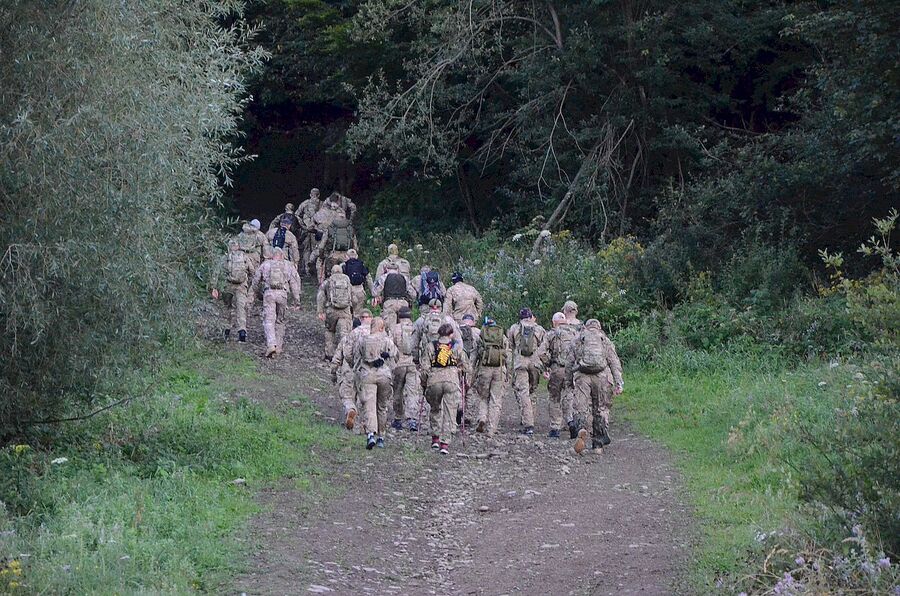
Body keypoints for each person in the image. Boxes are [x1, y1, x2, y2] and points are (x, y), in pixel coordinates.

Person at [566, 319, 624, 453]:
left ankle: (581, 428)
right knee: (601, 408)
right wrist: (619, 382)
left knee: (581, 406)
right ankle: (598, 443)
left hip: (582, 376)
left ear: (585, 327)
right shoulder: (605, 340)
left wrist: (568, 382)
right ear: (599, 327)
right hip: (601, 376)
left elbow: (569, 363)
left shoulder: (578, 339)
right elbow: (614, 362)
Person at [421, 323, 470, 454]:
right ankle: (445, 444)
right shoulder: (456, 346)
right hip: (451, 381)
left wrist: (424, 383)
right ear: (451, 334)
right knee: (450, 412)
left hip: (434, 381)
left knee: (435, 408)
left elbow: (425, 367)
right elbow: (466, 366)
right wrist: (458, 370)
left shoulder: (431, 346)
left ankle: (435, 438)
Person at [353, 317, 398, 449]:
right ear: (382, 327)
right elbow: (395, 354)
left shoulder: (363, 340)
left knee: (369, 405)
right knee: (382, 407)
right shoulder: (386, 340)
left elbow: (356, 355)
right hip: (384, 374)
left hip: (367, 374)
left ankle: (370, 434)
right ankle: (381, 436)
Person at [250, 247, 302, 358]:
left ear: (272, 255)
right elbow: (294, 283)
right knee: (280, 320)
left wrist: (254, 294)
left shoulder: (266, 264)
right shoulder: (288, 265)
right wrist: (297, 300)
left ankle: (271, 344)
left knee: (269, 320)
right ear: (282, 255)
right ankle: (278, 347)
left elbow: (256, 280)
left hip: (269, 293)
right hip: (282, 294)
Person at [506, 307, 547, 436]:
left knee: (523, 392)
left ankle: (528, 423)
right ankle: (531, 417)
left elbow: (510, 345)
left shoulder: (514, 328)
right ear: (531, 316)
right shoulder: (539, 329)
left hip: (520, 363)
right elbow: (544, 347)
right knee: (532, 390)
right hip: (535, 363)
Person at [541, 312, 579, 438]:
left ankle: (555, 428)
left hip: (557, 369)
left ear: (554, 322)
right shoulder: (575, 333)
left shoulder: (551, 334)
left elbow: (541, 352)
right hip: (571, 370)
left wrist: (548, 363)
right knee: (569, 395)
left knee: (554, 397)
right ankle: (570, 421)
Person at [331, 313, 371, 430]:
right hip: (364, 371)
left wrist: (333, 373)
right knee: (363, 397)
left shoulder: (346, 338)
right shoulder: (369, 339)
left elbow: (337, 359)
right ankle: (363, 423)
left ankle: (350, 410)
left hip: (348, 371)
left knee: (347, 396)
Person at [211, 240, 254, 343]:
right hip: (241, 286)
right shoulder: (244, 257)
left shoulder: (225, 258)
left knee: (227, 307)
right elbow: (252, 271)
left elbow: (216, 272)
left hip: (227, 285)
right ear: (238, 247)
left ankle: (226, 330)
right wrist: (249, 285)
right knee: (241, 308)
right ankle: (242, 332)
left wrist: (214, 287)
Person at [472, 317, 509, 436]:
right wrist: (508, 371)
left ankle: (482, 418)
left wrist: (472, 371)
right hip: (499, 368)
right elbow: (508, 354)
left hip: (484, 369)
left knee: (483, 396)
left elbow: (475, 354)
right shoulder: (502, 336)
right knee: (495, 399)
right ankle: (492, 428)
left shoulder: (481, 336)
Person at [390, 306, 422, 431]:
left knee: (397, 391)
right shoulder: (415, 327)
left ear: (399, 316)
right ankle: (412, 419)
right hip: (412, 364)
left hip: (399, 364)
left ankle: (398, 418)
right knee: (412, 392)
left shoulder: (395, 328)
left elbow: (390, 346)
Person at [317, 264, 354, 360]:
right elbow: (353, 296)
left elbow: (321, 296)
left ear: (331, 272)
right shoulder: (347, 280)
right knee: (345, 333)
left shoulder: (328, 281)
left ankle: (329, 354)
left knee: (330, 330)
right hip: (345, 310)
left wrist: (320, 311)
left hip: (331, 310)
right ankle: (345, 355)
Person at [412, 298, 462, 363]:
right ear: (440, 308)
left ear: (429, 308)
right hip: (446, 357)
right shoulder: (448, 320)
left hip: (427, 357)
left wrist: (416, 359)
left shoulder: (421, 320)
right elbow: (458, 340)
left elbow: (414, 342)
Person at [372, 262, 416, 330]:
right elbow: (413, 294)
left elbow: (375, 292)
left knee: (390, 328)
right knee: (404, 328)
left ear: (386, 269)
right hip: (403, 303)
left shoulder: (383, 277)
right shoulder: (404, 277)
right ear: (398, 269)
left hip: (389, 303)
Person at [315, 214, 356, 283]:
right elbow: (355, 246)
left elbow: (322, 246)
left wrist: (321, 255)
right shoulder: (350, 228)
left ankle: (324, 285)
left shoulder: (331, 228)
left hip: (333, 254)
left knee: (330, 273)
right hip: (346, 255)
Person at [342, 248, 373, 315]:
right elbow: (369, 279)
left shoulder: (343, 266)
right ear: (356, 256)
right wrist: (373, 293)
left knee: (347, 313)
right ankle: (357, 324)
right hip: (360, 291)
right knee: (358, 313)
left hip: (348, 292)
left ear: (347, 256)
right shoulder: (361, 265)